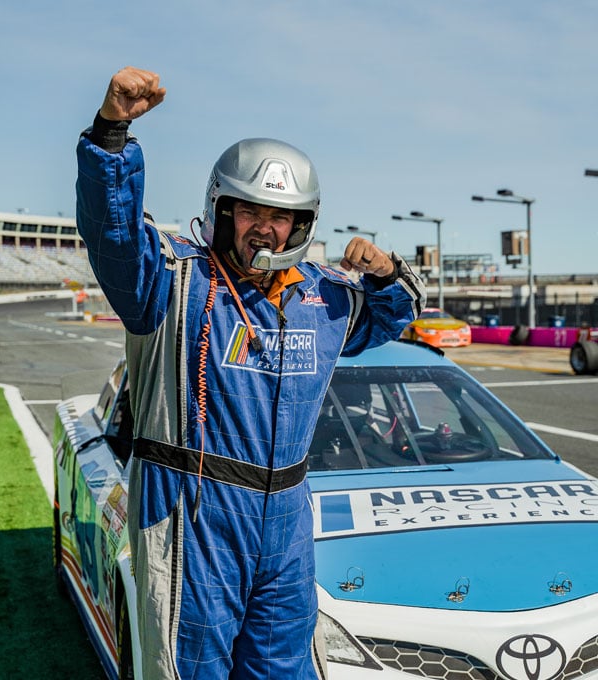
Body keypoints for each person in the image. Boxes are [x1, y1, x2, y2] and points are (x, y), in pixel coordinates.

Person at [76, 66, 426, 680]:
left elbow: (392, 317)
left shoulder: (325, 300)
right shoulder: (173, 281)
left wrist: (387, 270)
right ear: (222, 209)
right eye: (250, 210)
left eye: (281, 215)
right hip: (192, 511)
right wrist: (112, 136)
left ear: (302, 225)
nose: (265, 226)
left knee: (282, 670)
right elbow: (113, 237)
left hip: (287, 520)